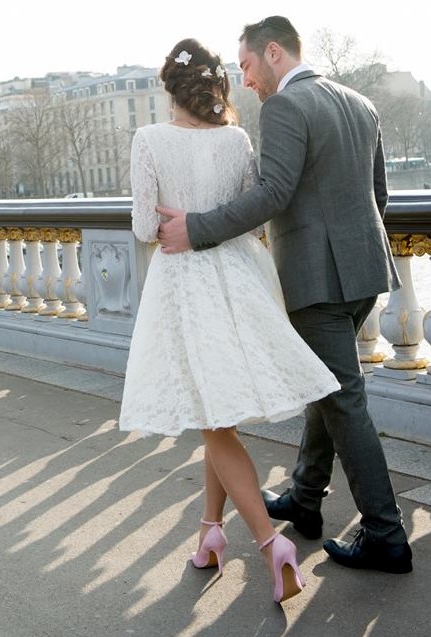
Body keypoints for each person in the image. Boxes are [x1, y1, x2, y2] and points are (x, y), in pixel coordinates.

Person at [156, 16, 413, 574]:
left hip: (317, 280)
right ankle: (304, 497)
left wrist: (196, 228)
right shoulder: (358, 101)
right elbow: (379, 195)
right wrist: (357, 255)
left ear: (274, 53)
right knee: (329, 387)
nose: (244, 80)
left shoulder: (286, 107)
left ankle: (386, 535)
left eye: (246, 65)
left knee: (344, 402)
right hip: (366, 272)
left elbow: (272, 192)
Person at [118, 37, 341, 603]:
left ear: (172, 89)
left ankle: (272, 547)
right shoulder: (237, 138)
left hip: (185, 285)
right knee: (216, 414)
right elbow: (248, 213)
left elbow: (146, 227)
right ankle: (210, 533)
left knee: (213, 422)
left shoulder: (148, 139)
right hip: (239, 278)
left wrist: (180, 219)